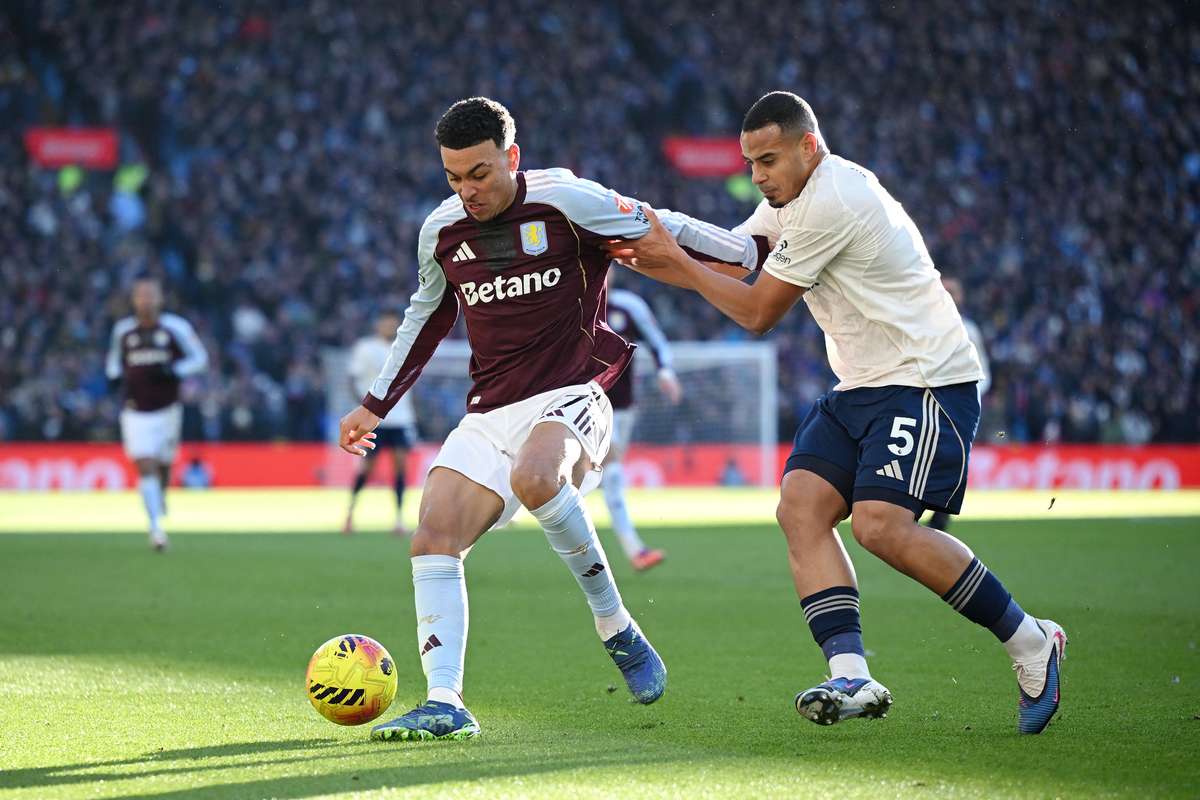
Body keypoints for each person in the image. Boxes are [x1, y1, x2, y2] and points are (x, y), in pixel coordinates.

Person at [609, 91, 1065, 735]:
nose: (757, 176)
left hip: (925, 380)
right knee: (800, 508)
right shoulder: (790, 202)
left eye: (768, 160)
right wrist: (644, 233)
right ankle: (852, 675)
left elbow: (758, 310)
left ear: (808, 147)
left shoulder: (833, 199)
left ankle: (1030, 642)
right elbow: (731, 254)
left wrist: (672, 258)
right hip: (860, 386)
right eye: (749, 163)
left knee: (880, 526)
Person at [337, 97, 760, 741]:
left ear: (512, 157)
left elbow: (656, 221)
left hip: (575, 394)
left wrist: (743, 252)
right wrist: (374, 403)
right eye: (453, 177)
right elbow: (426, 316)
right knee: (433, 535)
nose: (466, 190)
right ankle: (446, 702)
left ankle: (615, 625)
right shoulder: (442, 230)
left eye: (479, 173)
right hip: (489, 411)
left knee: (539, 478)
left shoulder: (565, 200)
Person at [105, 276, 208, 551]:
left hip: (167, 410)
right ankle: (156, 530)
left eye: (151, 295)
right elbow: (114, 361)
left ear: (160, 299)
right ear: (134, 300)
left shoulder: (176, 328)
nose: (146, 301)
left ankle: (160, 497)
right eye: (141, 296)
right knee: (145, 464)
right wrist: (113, 376)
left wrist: (175, 370)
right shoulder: (123, 331)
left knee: (163, 466)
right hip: (135, 411)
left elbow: (200, 358)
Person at [600, 273, 681, 571]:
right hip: (583, 407)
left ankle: (509, 504)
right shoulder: (571, 304)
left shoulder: (628, 307)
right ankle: (635, 550)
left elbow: (657, 342)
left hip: (621, 410)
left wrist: (665, 372)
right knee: (610, 476)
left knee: (591, 479)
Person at [343, 311, 419, 536]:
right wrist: (365, 407)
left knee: (400, 467)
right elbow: (351, 378)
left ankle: (398, 519)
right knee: (366, 468)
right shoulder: (366, 347)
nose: (389, 326)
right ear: (377, 324)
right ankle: (350, 514)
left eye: (393, 322)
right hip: (374, 420)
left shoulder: (405, 345)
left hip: (401, 419)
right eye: (385, 321)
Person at [927, 276, 991, 532]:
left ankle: (941, 513)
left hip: (960, 403)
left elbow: (982, 371)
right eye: (944, 290)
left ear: (961, 296)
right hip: (928, 399)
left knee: (951, 456)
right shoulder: (923, 325)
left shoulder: (969, 330)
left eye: (953, 290)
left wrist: (970, 397)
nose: (949, 295)